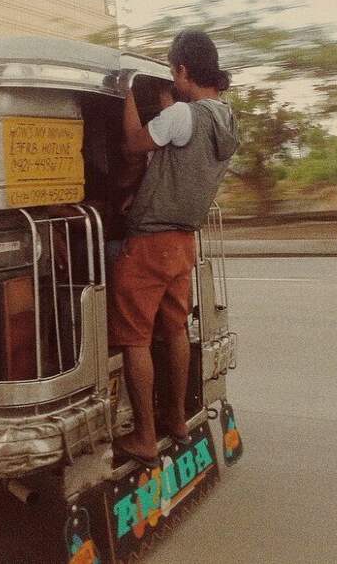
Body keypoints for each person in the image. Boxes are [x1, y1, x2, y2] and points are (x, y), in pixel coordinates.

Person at [109, 30, 238, 467]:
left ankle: (144, 436)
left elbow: (132, 142)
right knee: (176, 330)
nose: (170, 77)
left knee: (134, 339)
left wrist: (129, 93)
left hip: (149, 244)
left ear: (183, 69)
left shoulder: (183, 115)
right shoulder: (224, 119)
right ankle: (178, 419)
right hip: (184, 241)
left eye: (171, 70)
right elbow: (183, 160)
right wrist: (169, 109)